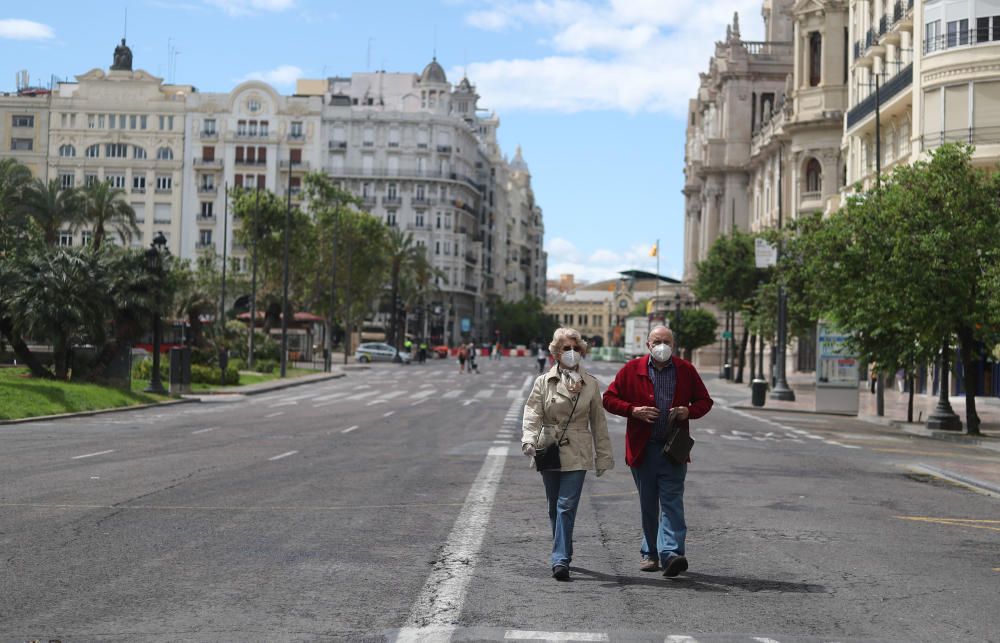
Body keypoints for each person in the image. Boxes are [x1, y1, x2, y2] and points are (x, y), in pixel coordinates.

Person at [602, 325, 713, 578]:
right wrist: (633, 410)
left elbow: (705, 401)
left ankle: (672, 553)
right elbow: (608, 398)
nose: (662, 345)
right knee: (648, 503)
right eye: (657, 341)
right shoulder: (632, 370)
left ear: (673, 345)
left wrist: (688, 411)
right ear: (648, 345)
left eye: (666, 341)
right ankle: (650, 552)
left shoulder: (686, 370)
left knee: (672, 502)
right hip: (644, 449)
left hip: (673, 448)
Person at [521, 327, 615, 580]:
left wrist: (603, 455)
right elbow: (532, 413)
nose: (572, 353)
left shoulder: (591, 384)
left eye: (576, 348)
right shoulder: (543, 381)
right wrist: (528, 440)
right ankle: (564, 548)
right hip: (549, 444)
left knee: (566, 505)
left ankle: (560, 558)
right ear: (556, 353)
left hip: (578, 448)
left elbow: (599, 422)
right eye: (566, 348)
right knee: (554, 507)